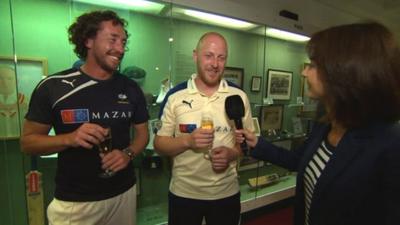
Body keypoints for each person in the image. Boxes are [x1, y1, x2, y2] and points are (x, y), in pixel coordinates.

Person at [236, 22, 400, 225]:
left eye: (312, 65)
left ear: (342, 72)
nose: (304, 73)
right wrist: (256, 144)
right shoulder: (327, 121)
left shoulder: (389, 144)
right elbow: (298, 160)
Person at [21, 10, 149, 225]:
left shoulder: (131, 88)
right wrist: (69, 138)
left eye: (123, 42)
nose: (120, 49)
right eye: (113, 40)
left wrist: (128, 153)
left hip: (124, 194)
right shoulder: (53, 87)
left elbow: (143, 134)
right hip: (76, 203)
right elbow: (27, 143)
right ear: (88, 40)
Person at [154, 32, 253, 225]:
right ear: (195, 56)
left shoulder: (238, 96)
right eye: (208, 55)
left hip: (227, 194)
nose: (215, 64)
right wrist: (187, 141)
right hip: (184, 195)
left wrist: (232, 153)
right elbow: (159, 144)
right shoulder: (174, 96)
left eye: (221, 57)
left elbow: (248, 143)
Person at [0, 66, 28, 137]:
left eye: (9, 79)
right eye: (0, 78)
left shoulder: (27, 102)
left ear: (16, 81)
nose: (5, 83)